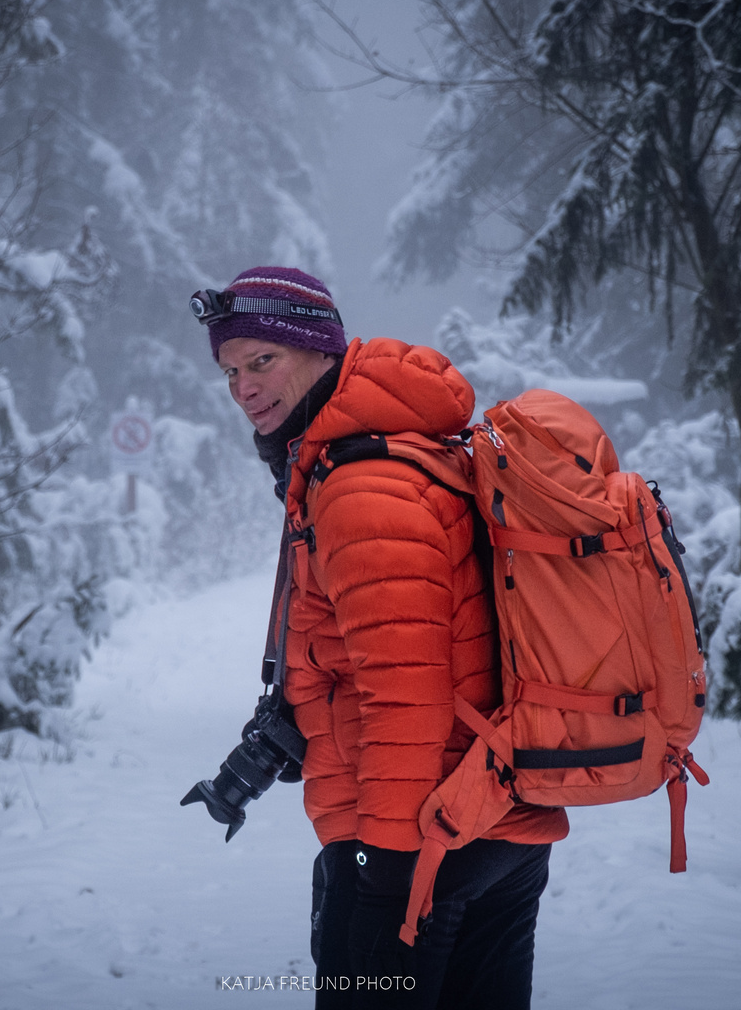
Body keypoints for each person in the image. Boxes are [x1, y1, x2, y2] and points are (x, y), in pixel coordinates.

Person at [195, 266, 568, 1009]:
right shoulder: (406, 449)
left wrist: (388, 876)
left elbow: (407, 695)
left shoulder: (365, 487)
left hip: (423, 844)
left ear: (320, 349)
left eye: (262, 360)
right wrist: (274, 744)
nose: (243, 387)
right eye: (231, 371)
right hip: (494, 822)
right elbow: (372, 656)